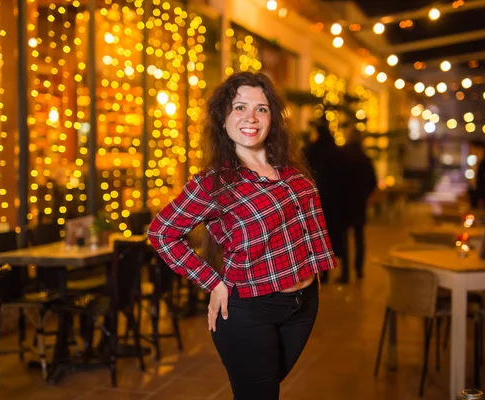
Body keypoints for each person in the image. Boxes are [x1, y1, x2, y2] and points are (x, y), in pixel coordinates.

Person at [147, 72, 336, 400]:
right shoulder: (213, 182)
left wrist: (312, 272)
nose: (251, 117)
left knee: (262, 392)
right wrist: (214, 282)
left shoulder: (291, 172)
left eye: (261, 109)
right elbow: (161, 232)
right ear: (223, 118)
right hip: (249, 308)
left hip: (303, 304)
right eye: (240, 107)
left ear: (272, 119)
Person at [303, 120, 345, 282]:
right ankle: (342, 271)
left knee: (317, 236)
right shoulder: (336, 151)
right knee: (335, 235)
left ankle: (321, 273)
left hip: (316, 198)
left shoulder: (312, 150)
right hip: (335, 199)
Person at [338, 131, 377, 281]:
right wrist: (364, 195)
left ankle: (345, 272)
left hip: (344, 202)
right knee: (359, 237)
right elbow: (373, 182)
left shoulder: (342, 158)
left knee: (344, 238)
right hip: (359, 203)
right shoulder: (365, 159)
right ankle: (359, 269)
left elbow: (337, 181)